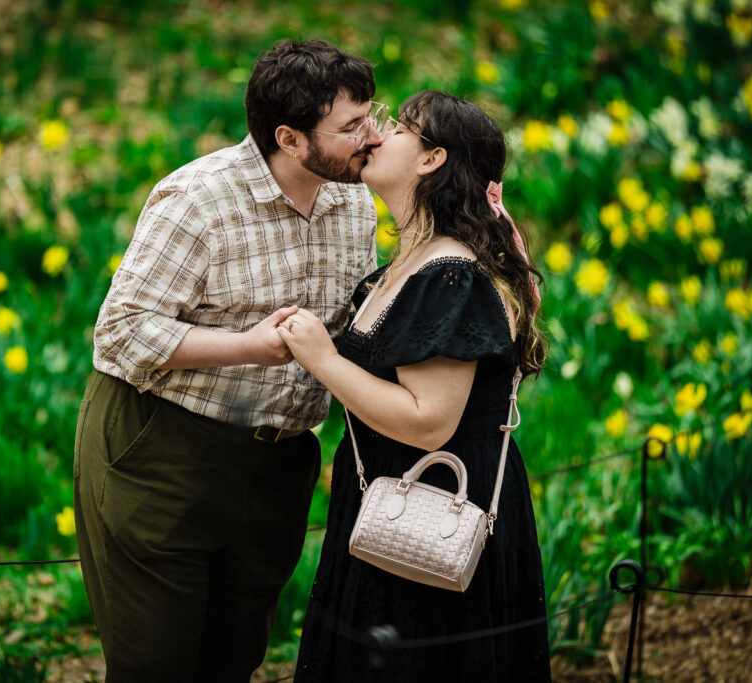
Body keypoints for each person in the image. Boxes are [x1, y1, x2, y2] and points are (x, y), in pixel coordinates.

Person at [73, 39, 384, 681]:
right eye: (352, 126)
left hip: (280, 464)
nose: (372, 137)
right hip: (162, 450)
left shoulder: (353, 198)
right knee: (155, 665)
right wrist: (248, 347)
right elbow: (119, 332)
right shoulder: (198, 201)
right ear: (290, 139)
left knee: (233, 659)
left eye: (371, 116)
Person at [278, 90, 553, 681]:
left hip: (435, 512)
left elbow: (430, 421)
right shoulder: (409, 263)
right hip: (388, 508)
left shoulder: (449, 274)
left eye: (400, 127)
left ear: (431, 160)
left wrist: (322, 359)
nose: (376, 134)